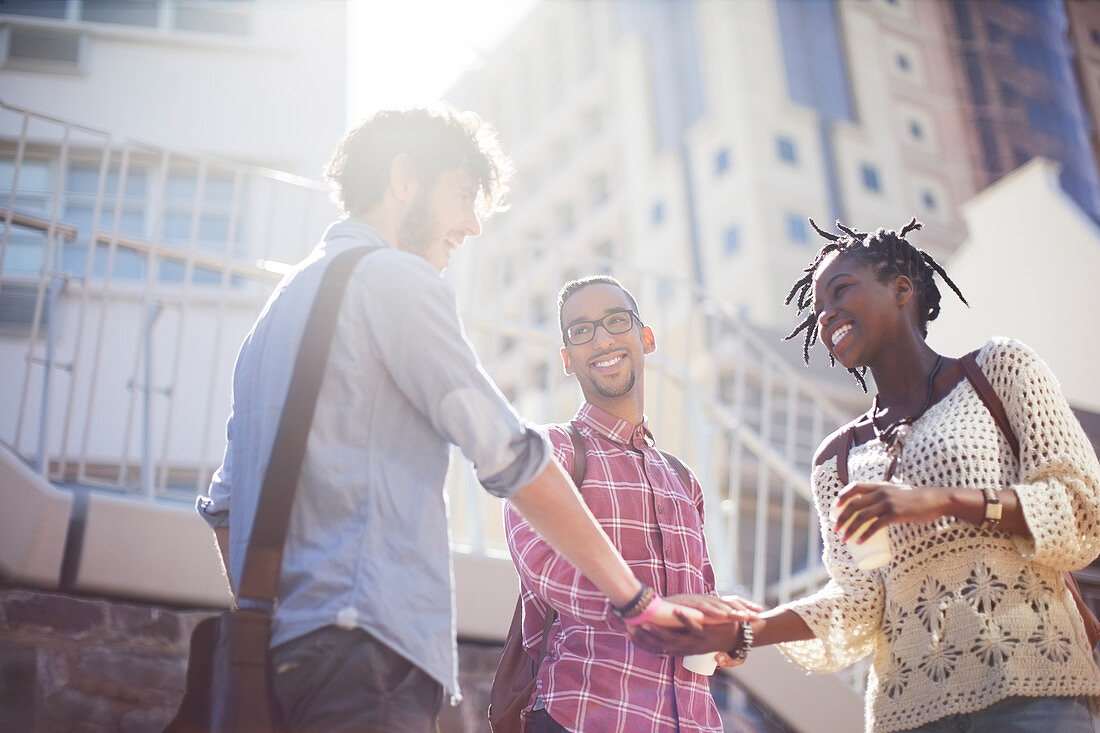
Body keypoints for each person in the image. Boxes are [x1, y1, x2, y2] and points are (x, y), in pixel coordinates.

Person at [195, 107, 731, 733]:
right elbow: (510, 457)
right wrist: (638, 602)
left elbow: (226, 510)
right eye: (460, 196)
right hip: (368, 655)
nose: (473, 225)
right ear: (404, 179)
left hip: (283, 657)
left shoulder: (277, 313)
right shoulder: (395, 278)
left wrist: (288, 624)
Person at [635, 219, 1100, 732]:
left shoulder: (997, 370)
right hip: (910, 711)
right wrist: (748, 630)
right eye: (818, 309)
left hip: (1033, 688)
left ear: (901, 288)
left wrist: (945, 502)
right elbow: (859, 600)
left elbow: (1079, 506)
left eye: (842, 290)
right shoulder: (837, 457)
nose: (827, 313)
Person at [504, 276, 746, 732]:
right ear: (567, 359)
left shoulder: (682, 480)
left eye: (616, 321)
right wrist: (652, 610)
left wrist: (729, 634)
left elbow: (704, 597)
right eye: (581, 330)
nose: (602, 339)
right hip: (581, 716)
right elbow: (544, 568)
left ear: (646, 337)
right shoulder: (549, 451)